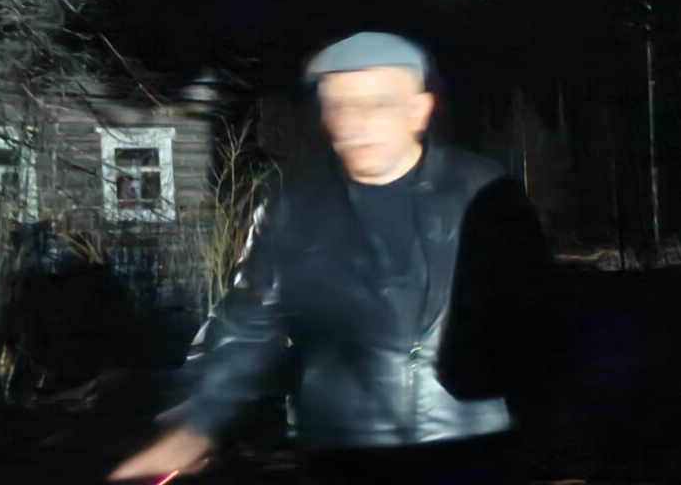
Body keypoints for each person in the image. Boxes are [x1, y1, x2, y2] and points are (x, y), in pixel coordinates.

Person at [111, 33, 554, 484]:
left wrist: (534, 418)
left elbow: (538, 321)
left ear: (417, 109)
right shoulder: (295, 208)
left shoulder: (482, 192)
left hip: (466, 441)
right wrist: (195, 423)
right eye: (340, 104)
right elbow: (247, 324)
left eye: (376, 104)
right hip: (342, 447)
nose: (355, 123)